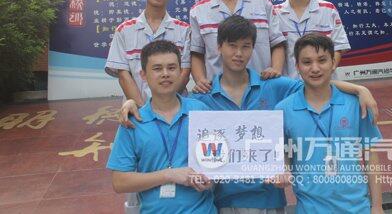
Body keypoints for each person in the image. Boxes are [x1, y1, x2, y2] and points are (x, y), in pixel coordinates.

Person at [121, 16, 378, 213]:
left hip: (268, 199)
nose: (238, 53)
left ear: (253, 48)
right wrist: (133, 103)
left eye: (246, 46)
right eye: (232, 46)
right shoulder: (202, 99)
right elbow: (168, 105)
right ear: (219, 47)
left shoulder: (274, 86)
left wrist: (359, 89)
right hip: (223, 200)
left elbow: (315, 82)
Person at [271, 34, 383, 213]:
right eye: (307, 62)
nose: (315, 68)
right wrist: (283, 170)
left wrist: (377, 206)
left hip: (357, 208)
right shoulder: (283, 109)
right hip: (309, 208)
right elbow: (283, 152)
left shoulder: (356, 104)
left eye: (322, 60)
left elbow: (371, 156)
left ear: (333, 62)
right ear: (297, 66)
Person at [107, 40, 216, 214]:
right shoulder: (133, 121)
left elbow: (220, 161)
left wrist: (212, 179)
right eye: (157, 69)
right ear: (143, 75)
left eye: (172, 68)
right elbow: (119, 182)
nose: (165, 74)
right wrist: (169, 175)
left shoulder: (200, 111)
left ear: (181, 72)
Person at [189, 0, 286, 92]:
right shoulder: (198, 11)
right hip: (217, 95)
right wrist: (201, 80)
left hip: (262, 92)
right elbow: (197, 53)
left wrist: (276, 70)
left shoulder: (262, 3)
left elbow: (277, 44)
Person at [105, 0, 191, 106]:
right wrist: (145, 112)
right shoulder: (124, 30)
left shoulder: (184, 30)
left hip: (175, 110)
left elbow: (184, 73)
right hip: (138, 111)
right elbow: (124, 75)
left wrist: (164, 106)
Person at [274, 0, 350, 79]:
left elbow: (339, 47)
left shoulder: (328, 9)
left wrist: (325, 73)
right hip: (290, 87)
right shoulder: (275, 13)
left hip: (324, 85)